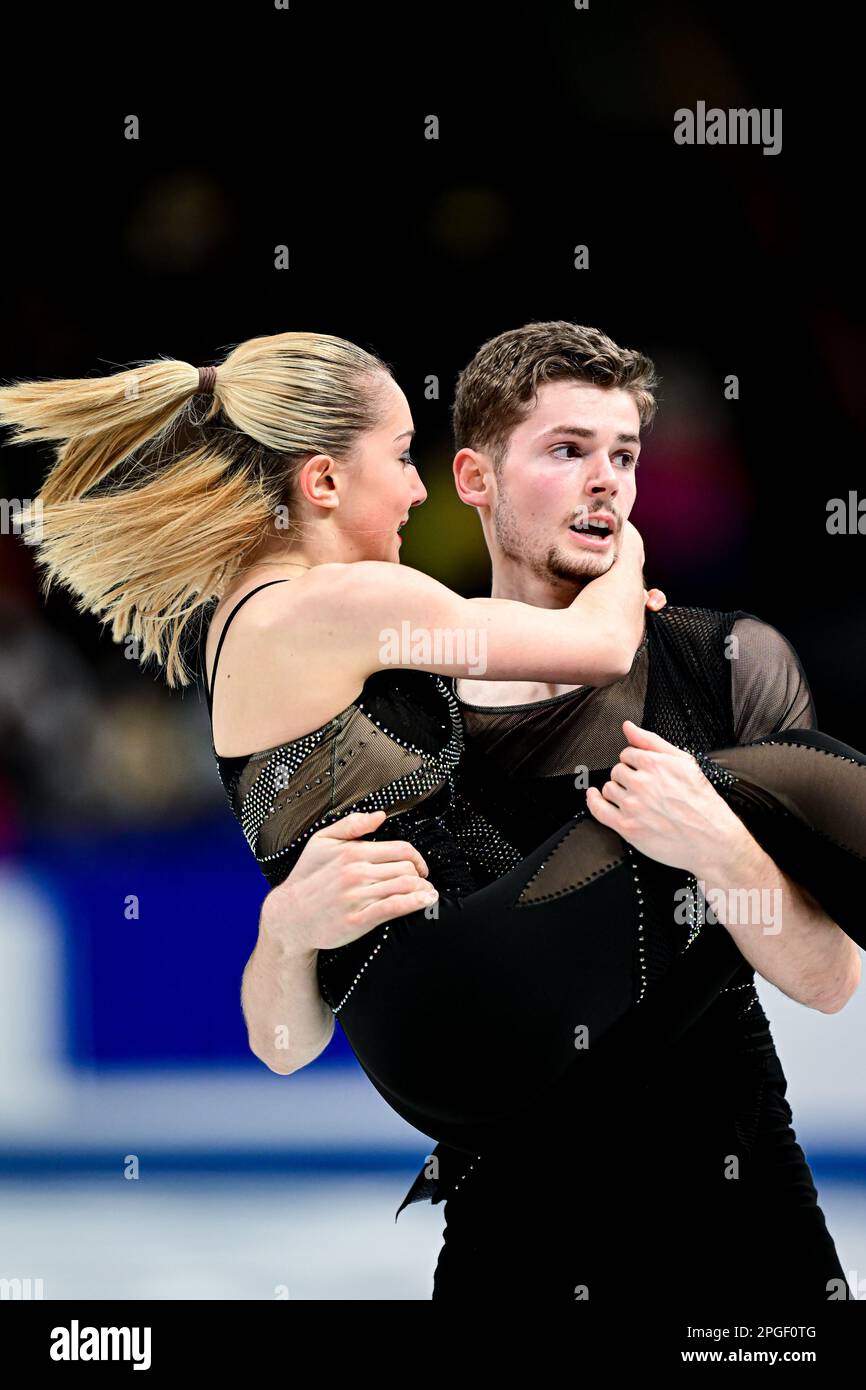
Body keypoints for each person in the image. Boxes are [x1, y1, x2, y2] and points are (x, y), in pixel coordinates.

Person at [2, 327, 860, 1305]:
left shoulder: (319, 643)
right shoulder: (355, 609)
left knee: (731, 790)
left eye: (622, 458)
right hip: (481, 1076)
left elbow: (826, 979)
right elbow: (595, 642)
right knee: (756, 780)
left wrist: (719, 854)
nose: (416, 492)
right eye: (400, 457)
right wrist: (621, 567)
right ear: (327, 483)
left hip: (489, 1067)